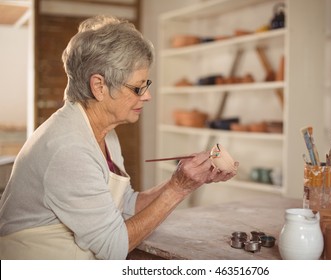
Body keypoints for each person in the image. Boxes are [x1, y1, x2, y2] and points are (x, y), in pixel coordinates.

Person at [0, 15, 238, 260]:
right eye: (138, 87)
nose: (147, 96)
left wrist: (185, 179)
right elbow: (113, 248)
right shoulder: (68, 149)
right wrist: (178, 190)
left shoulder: (105, 133)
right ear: (99, 86)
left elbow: (125, 205)